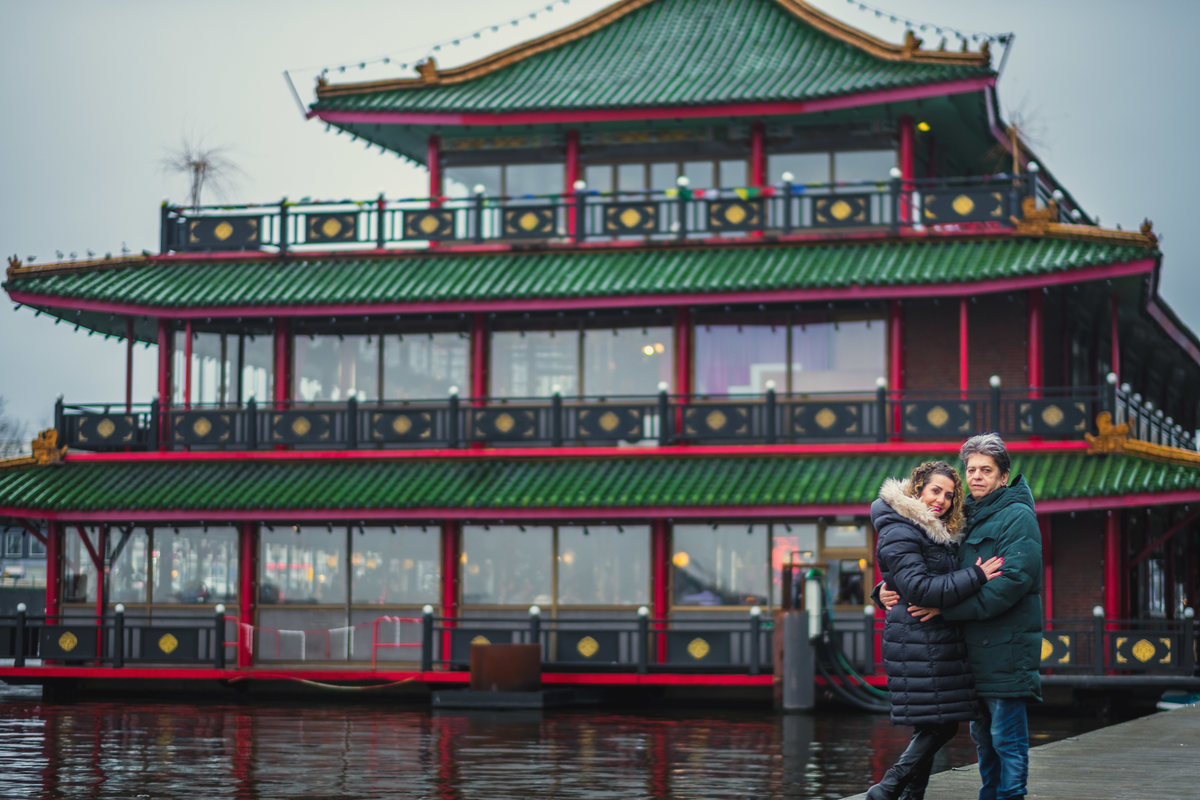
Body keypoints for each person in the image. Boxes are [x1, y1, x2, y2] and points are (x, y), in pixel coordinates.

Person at [879, 433, 1043, 800]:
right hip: (969, 654)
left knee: (1007, 739)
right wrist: (884, 589)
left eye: (987, 469)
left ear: (1004, 476)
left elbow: (1011, 583)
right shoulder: (962, 517)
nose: (977, 476)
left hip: (1005, 649)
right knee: (983, 741)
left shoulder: (1017, 517)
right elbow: (927, 564)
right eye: (971, 469)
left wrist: (945, 607)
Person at [866, 460, 1004, 800]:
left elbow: (907, 575)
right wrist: (977, 576)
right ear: (917, 490)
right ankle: (888, 787)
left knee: (932, 723)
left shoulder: (928, 528)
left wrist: (883, 587)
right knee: (940, 724)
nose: (940, 500)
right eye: (934, 491)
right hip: (917, 637)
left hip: (929, 637)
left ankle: (909, 795)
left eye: (948, 495)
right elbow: (920, 587)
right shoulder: (902, 527)